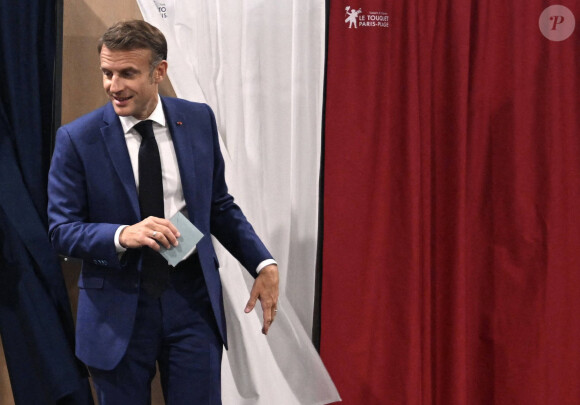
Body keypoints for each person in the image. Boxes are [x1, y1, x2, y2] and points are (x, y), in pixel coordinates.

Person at [47, 19, 279, 405]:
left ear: (159, 72)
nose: (113, 86)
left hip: (191, 305)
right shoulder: (76, 139)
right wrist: (123, 234)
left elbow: (217, 205)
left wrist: (263, 262)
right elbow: (61, 230)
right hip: (115, 313)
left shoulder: (198, 119)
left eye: (127, 73)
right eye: (107, 73)